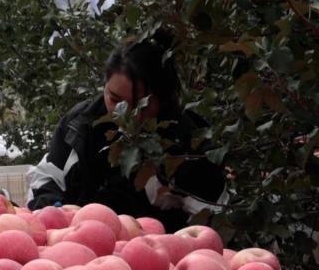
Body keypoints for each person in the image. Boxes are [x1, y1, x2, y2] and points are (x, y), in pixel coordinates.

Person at [26, 28, 227, 231]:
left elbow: (212, 218)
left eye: (141, 106)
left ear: (163, 100)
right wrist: (56, 213)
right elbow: (46, 178)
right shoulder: (80, 126)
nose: (123, 113)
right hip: (80, 242)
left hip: (157, 247)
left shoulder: (187, 143)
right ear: (105, 85)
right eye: (114, 99)